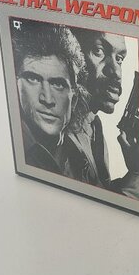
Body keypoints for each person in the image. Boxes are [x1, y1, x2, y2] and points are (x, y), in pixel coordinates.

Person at [68, 28, 139, 199]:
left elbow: (100, 191)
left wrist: (134, 168)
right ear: (73, 53)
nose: (116, 72)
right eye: (99, 51)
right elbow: (89, 203)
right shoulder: (60, 131)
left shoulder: (94, 125)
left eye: (119, 59)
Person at [11, 21, 88, 176]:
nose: (47, 99)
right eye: (33, 79)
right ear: (16, 86)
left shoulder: (80, 155)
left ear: (74, 100)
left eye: (58, 84)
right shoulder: (17, 148)